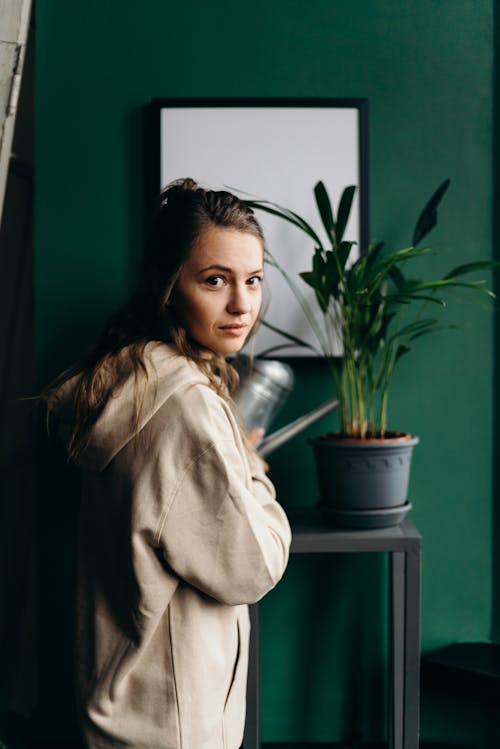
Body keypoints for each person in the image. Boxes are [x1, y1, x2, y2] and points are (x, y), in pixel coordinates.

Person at [45, 178, 291, 749]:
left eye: (252, 280)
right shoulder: (185, 405)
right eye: (215, 280)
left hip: (118, 706)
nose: (242, 304)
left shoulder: (128, 374)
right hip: (173, 726)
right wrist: (251, 468)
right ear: (167, 285)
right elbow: (252, 567)